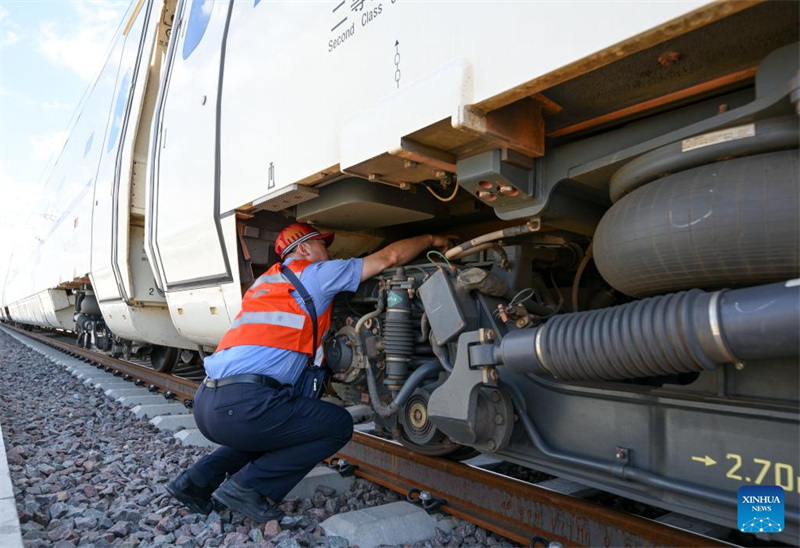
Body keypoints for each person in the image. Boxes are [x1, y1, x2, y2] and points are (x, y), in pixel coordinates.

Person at [166, 222, 451, 522]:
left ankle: (193, 482)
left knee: (275, 430)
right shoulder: (315, 274)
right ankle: (247, 488)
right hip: (244, 406)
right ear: (304, 248)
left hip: (208, 403)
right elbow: (389, 258)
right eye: (322, 245)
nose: (328, 252)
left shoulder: (266, 282)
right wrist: (433, 237)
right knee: (337, 425)